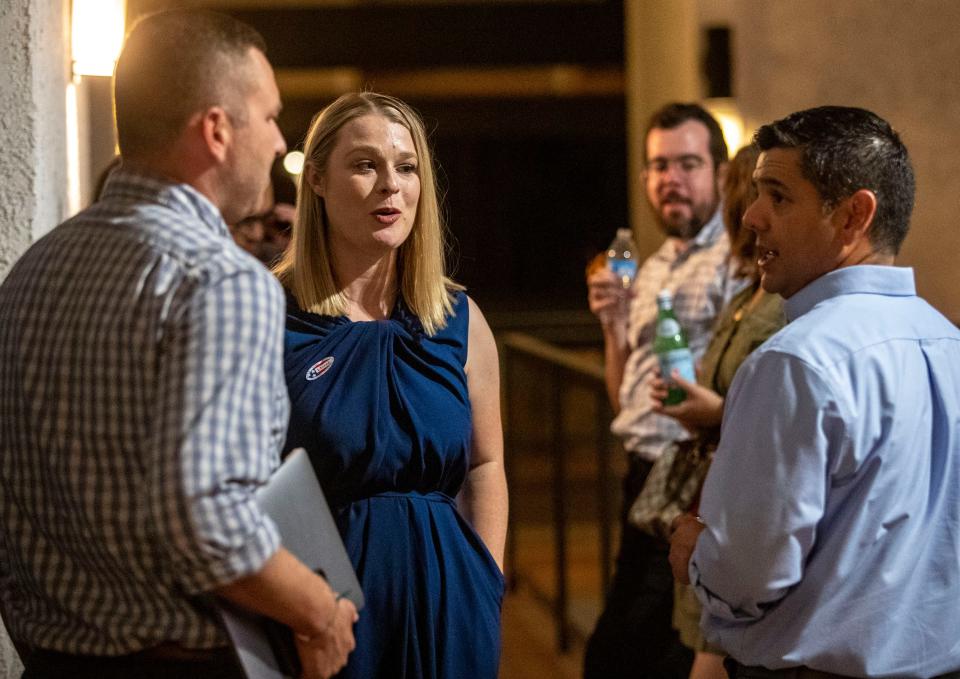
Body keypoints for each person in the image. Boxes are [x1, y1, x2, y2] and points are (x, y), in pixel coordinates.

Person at [0, 10, 356, 679]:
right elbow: (207, 519)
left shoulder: (32, 271)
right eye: (271, 116)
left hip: (47, 659)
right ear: (217, 130)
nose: (281, 141)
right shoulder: (221, 281)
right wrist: (318, 609)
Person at [670, 106, 960, 678]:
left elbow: (750, 575)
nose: (752, 217)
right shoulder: (949, 342)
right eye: (757, 194)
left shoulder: (794, 360)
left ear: (854, 215)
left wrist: (696, 554)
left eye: (778, 196)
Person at [274, 92, 508, 678]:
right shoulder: (268, 314)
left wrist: (486, 579)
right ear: (319, 181)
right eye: (364, 164)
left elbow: (485, 465)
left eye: (406, 167)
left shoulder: (458, 317)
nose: (390, 185)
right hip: (324, 617)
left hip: (451, 605)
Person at [585, 102, 743, 679]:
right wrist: (613, 329)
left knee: (641, 652)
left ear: (721, 175)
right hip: (641, 475)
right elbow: (623, 397)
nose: (669, 179)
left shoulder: (738, 259)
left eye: (687, 163)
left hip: (694, 480)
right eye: (657, 166)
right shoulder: (652, 266)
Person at [640, 144, 784, 679]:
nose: (746, 215)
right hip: (712, 493)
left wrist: (711, 410)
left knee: (711, 655)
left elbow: (773, 417)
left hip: (743, 505)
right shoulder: (750, 294)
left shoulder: (781, 302)